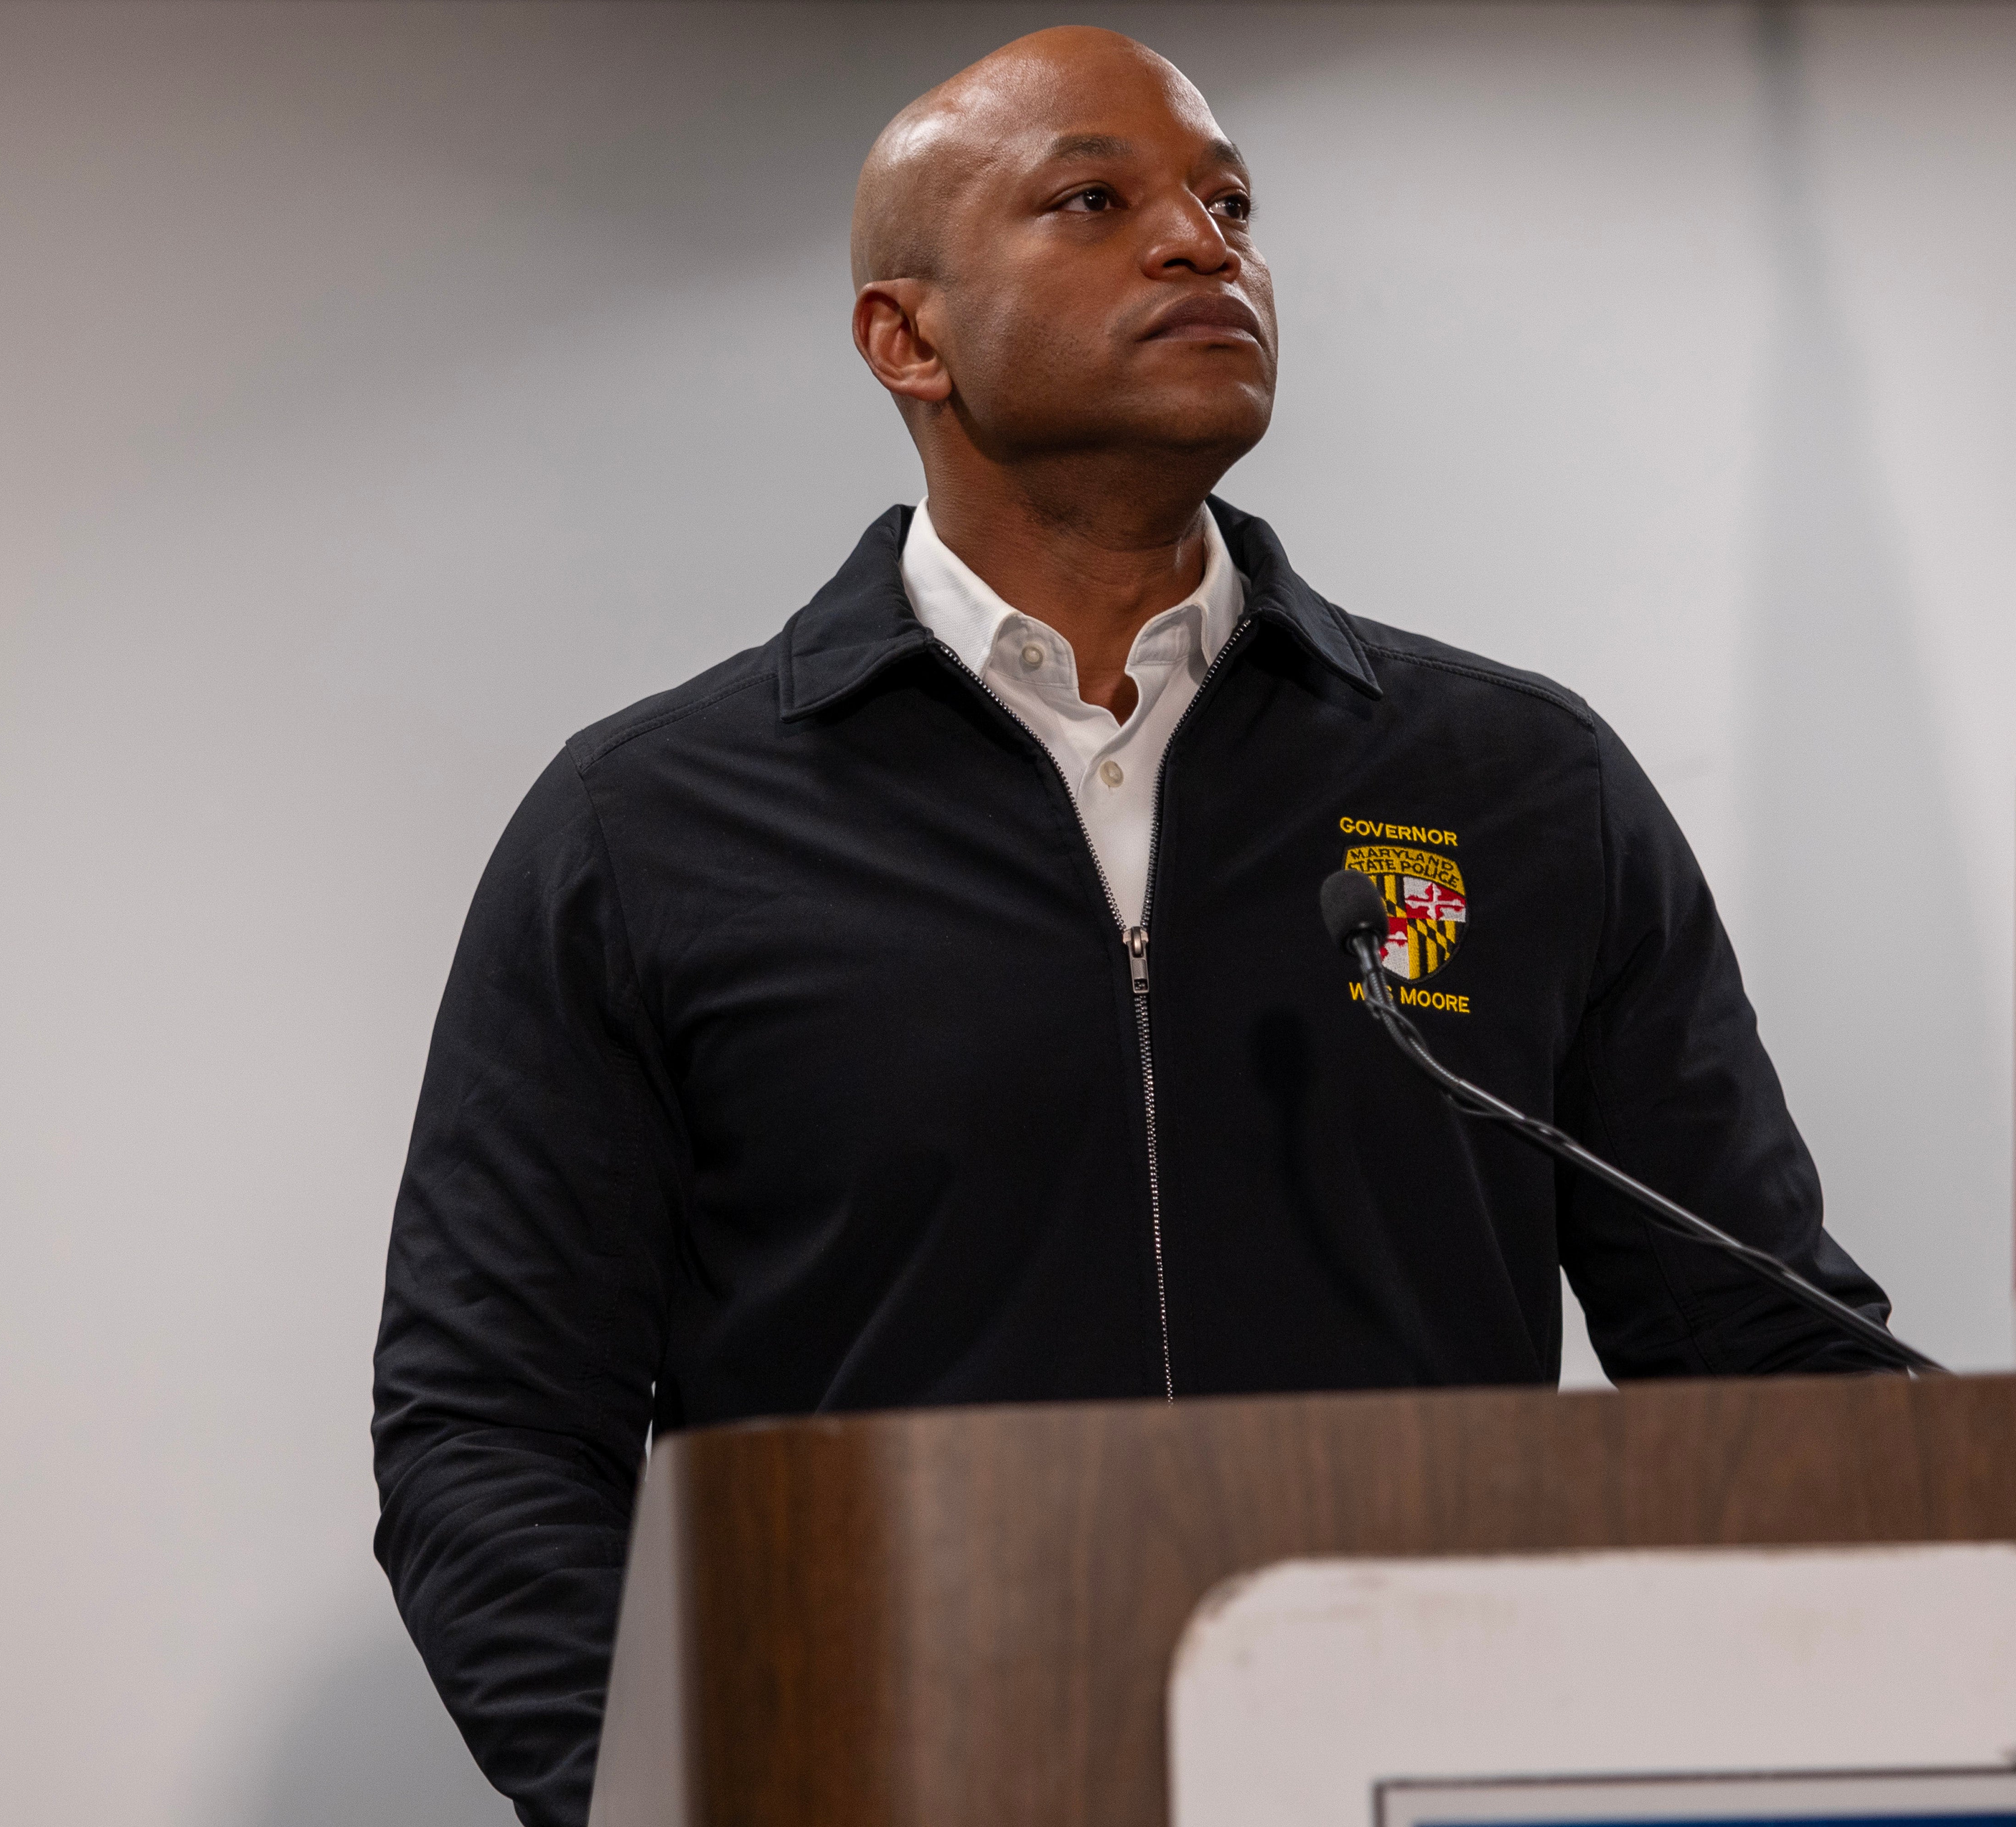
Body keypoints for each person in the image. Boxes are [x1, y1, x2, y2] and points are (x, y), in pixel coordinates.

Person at [373, 26, 1892, 1826]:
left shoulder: (1520, 787)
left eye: (1229, 203)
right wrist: (675, 1799)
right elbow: (489, 1435)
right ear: (907, 337)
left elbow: (1768, 1361)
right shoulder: (644, 830)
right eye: (1094, 201)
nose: (1200, 242)